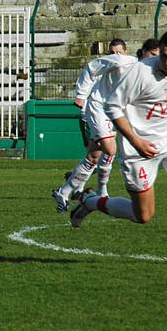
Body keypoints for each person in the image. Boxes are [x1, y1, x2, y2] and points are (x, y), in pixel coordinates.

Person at [70, 28, 167, 227]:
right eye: (163, 55)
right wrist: (136, 142)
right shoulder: (141, 71)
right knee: (143, 215)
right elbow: (112, 106)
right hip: (137, 149)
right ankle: (90, 201)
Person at [52, 39, 134, 212]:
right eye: (112, 52)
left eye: (119, 51)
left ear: (127, 52)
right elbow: (90, 68)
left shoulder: (142, 70)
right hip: (98, 108)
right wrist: (80, 95)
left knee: (94, 157)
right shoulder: (118, 61)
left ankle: (64, 191)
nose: (115, 55)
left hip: (112, 111)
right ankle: (102, 191)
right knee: (110, 150)